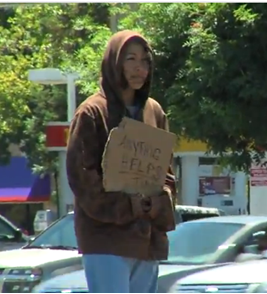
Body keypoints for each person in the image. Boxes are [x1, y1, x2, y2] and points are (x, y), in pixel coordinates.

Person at [66, 30, 176, 293]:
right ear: (115, 62)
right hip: (106, 241)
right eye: (131, 59)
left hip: (146, 242)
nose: (140, 68)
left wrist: (158, 203)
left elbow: (167, 173)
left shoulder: (154, 112)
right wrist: (128, 206)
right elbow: (82, 179)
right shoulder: (92, 112)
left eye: (145, 61)